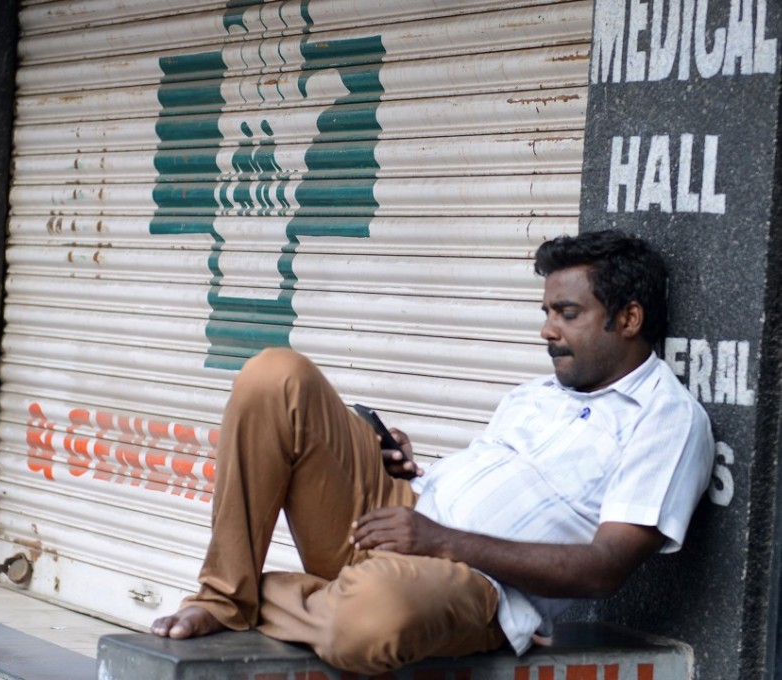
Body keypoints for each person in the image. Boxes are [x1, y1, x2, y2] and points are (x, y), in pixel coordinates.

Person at [151, 230, 714, 675]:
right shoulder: (538, 393)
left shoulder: (667, 420)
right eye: (545, 313)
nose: (547, 330)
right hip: (397, 514)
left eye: (566, 314)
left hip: (471, 586)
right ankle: (230, 597)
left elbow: (603, 570)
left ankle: (263, 593)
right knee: (275, 375)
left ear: (629, 319)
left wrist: (438, 542)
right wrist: (398, 463)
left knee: (371, 622)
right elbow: (481, 484)